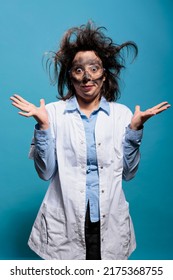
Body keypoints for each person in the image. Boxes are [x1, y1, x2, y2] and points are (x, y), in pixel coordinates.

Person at [10, 22, 170, 260]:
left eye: (94, 69)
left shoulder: (123, 115)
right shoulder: (52, 113)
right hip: (64, 222)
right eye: (78, 70)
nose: (86, 77)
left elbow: (128, 174)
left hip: (108, 220)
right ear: (70, 77)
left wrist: (135, 131)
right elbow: (45, 173)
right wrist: (43, 126)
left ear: (104, 75)